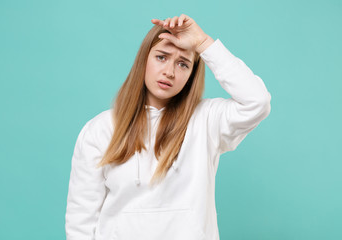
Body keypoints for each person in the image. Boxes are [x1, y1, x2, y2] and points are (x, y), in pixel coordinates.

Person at [65, 14, 271, 240]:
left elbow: (257, 101)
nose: (170, 72)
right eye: (161, 57)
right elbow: (81, 220)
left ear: (192, 74)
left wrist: (203, 44)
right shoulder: (100, 129)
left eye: (183, 63)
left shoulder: (206, 120)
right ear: (144, 59)